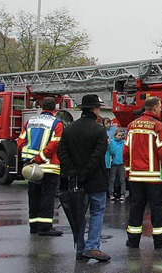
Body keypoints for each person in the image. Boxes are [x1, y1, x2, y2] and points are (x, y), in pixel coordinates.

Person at [58, 94, 110, 262]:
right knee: (97, 212)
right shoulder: (99, 130)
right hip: (95, 180)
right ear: (94, 109)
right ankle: (92, 247)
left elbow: (62, 153)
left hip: (74, 181)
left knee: (78, 214)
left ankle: (80, 248)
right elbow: (97, 156)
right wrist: (85, 173)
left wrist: (72, 172)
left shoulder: (69, 129)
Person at [124, 96, 162, 249]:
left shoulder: (131, 125)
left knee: (136, 207)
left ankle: (133, 240)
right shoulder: (157, 126)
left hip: (135, 176)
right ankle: (159, 240)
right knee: (157, 208)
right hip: (154, 177)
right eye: (160, 107)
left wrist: (128, 171)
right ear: (154, 108)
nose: (161, 110)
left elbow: (126, 151)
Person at [17, 96, 63, 236]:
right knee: (48, 196)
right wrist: (40, 158)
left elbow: (20, 141)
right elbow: (54, 145)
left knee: (34, 195)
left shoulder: (30, 121)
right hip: (49, 166)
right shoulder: (57, 123)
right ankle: (45, 227)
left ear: (42, 107)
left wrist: (29, 159)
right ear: (54, 109)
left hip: (31, 167)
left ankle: (34, 225)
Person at [107, 129, 126, 201]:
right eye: (119, 135)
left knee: (122, 179)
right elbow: (111, 152)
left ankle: (122, 194)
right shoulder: (111, 142)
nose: (120, 137)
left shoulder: (123, 143)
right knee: (112, 179)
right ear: (115, 135)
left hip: (121, 163)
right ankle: (111, 193)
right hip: (114, 163)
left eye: (121, 135)